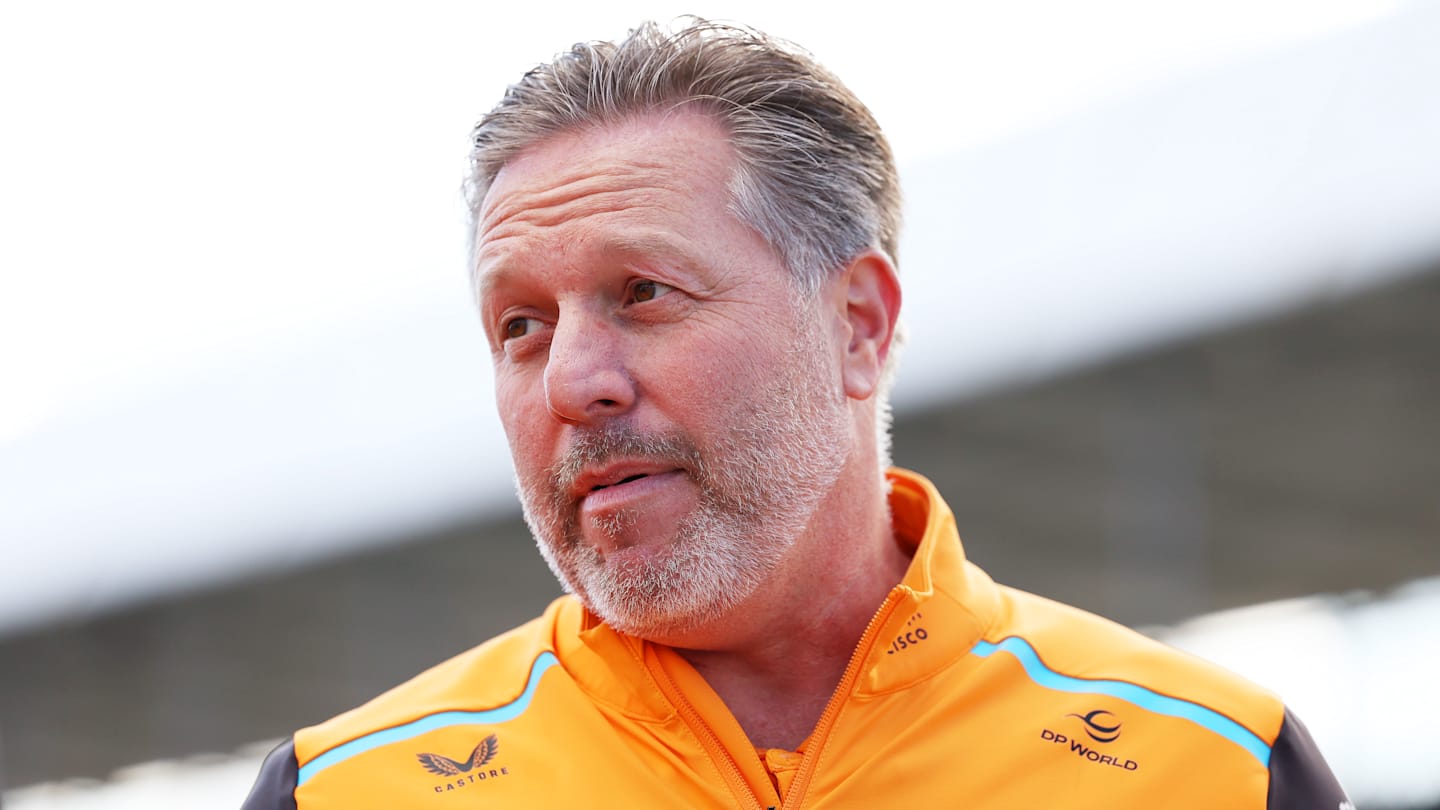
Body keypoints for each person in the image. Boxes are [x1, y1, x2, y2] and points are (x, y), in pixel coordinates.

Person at [243, 19, 1349, 809]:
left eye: (643, 293)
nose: (574, 382)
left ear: (859, 324)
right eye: (520, 326)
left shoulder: (1217, 769)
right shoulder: (346, 791)